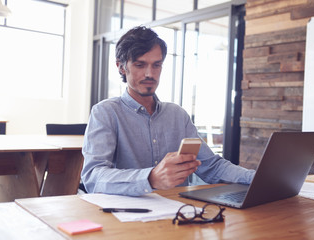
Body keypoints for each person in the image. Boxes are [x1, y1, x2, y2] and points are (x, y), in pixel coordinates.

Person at [81, 26, 255, 196]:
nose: (150, 74)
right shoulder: (105, 112)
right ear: (121, 67)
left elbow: (211, 166)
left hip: (180, 214)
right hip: (127, 216)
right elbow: (93, 177)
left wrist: (255, 178)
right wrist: (151, 178)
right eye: (140, 65)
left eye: (156, 65)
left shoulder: (177, 115)